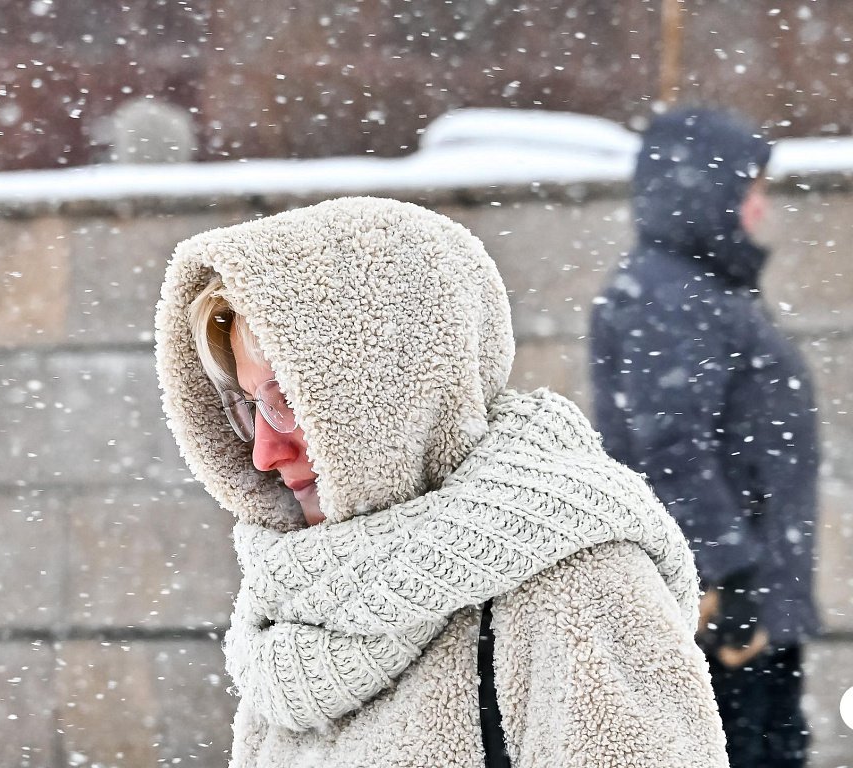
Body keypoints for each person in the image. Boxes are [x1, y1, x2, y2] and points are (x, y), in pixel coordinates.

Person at [156, 196, 729, 767]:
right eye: (251, 407)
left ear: (394, 391)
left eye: (289, 399)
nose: (264, 453)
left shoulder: (576, 586)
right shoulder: (293, 615)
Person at [590, 108, 819, 768]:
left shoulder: (699, 289)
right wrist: (731, 578)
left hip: (739, 603)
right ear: (705, 191)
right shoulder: (673, 297)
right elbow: (669, 451)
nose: (760, 207)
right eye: (751, 189)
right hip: (720, 617)